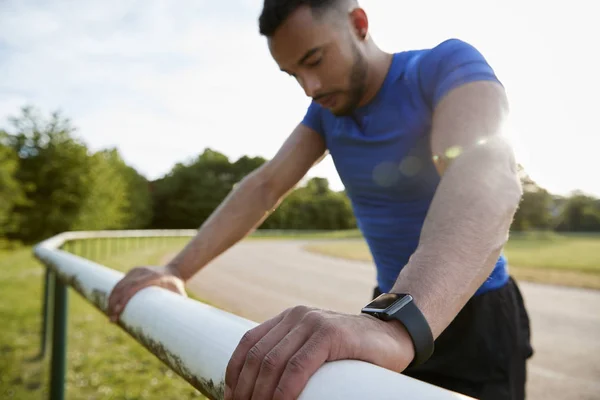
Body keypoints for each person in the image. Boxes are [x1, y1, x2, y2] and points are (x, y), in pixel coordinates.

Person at [107, 0, 534, 399]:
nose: (309, 87)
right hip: (389, 307)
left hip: (473, 318)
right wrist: (175, 269)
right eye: (292, 74)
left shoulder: (443, 64)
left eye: (314, 60)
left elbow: (483, 171)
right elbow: (264, 187)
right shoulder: (326, 113)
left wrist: (399, 324)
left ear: (359, 24)